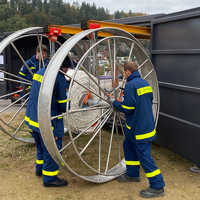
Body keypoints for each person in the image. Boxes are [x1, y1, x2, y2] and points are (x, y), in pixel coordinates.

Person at [112, 61, 165, 198]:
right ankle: (132, 174)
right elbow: (146, 101)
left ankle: (157, 186)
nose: (124, 75)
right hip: (143, 125)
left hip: (139, 128)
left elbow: (128, 108)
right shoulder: (145, 83)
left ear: (128, 72)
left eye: (124, 72)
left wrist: (117, 104)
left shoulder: (130, 85)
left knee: (144, 156)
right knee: (128, 146)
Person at [25, 57, 72, 187]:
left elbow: (46, 90)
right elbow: (63, 105)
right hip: (48, 122)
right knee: (52, 150)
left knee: (40, 147)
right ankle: (50, 178)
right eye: (67, 69)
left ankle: (39, 170)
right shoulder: (59, 78)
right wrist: (71, 103)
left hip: (32, 119)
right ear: (63, 67)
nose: (67, 71)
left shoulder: (40, 71)